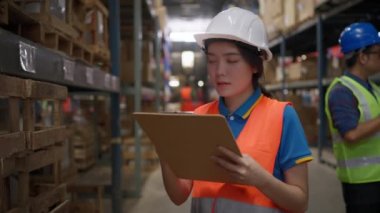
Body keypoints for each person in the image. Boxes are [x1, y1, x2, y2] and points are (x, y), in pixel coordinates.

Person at [160, 7, 312, 213]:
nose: (219, 71)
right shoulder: (199, 118)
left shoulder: (282, 116)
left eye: (231, 60)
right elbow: (179, 195)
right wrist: (166, 154)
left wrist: (260, 179)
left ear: (256, 66)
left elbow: (300, 203)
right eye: (212, 60)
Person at [325, 22, 380, 213]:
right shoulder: (342, 91)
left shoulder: (374, 89)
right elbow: (351, 134)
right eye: (378, 53)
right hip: (362, 185)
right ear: (362, 57)